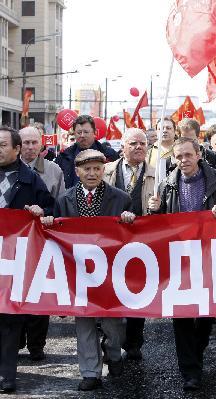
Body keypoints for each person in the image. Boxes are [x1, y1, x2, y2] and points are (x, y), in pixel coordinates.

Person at [147, 137, 216, 391]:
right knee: (182, 317)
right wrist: (154, 210)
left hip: (211, 257)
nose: (183, 160)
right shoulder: (167, 184)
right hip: (180, 259)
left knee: (206, 315)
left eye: (188, 155)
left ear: (199, 154)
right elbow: (158, 225)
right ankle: (190, 371)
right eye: (178, 156)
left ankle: (195, 356)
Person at [41, 149, 135, 391]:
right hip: (79, 273)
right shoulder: (64, 200)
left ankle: (113, 353)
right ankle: (90, 372)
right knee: (83, 322)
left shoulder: (121, 198)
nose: (92, 173)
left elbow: (135, 236)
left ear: (103, 170)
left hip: (111, 273)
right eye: (87, 169)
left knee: (114, 326)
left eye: (97, 169)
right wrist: (51, 222)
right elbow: (59, 236)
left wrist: (130, 219)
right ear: (77, 171)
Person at [0, 126, 54, 393]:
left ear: (17, 149)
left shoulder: (31, 180)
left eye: (2, 145)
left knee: (9, 318)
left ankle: (6, 375)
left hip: (14, 259)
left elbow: (51, 207)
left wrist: (41, 210)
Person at [103, 128, 155, 361]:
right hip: (111, 241)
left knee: (138, 290)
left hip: (143, 241)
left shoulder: (158, 174)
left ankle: (134, 342)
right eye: (133, 143)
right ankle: (111, 340)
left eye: (142, 143)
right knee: (111, 289)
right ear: (122, 146)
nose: (138, 147)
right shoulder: (106, 172)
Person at [16, 126, 65, 361]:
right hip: (12, 242)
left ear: (41, 144)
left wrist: (44, 212)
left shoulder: (54, 171)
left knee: (39, 292)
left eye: (34, 142)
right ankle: (14, 341)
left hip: (42, 240)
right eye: (25, 142)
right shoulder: (8, 170)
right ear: (18, 145)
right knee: (13, 288)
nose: (30, 147)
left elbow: (60, 206)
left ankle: (36, 344)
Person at [54, 115, 119, 189]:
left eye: (86, 132)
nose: (82, 135)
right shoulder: (64, 156)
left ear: (94, 133)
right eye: (79, 132)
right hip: (71, 199)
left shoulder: (109, 155)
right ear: (74, 133)